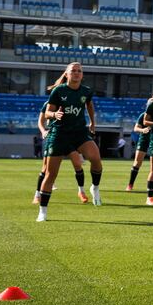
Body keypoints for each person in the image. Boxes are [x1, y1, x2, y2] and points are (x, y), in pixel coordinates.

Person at [37, 62, 104, 222]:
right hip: (59, 133)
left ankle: (94, 187)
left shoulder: (86, 91)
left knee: (96, 159)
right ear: (67, 74)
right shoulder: (59, 91)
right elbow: (47, 113)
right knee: (50, 174)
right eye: (73, 71)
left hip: (79, 132)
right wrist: (54, 116)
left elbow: (89, 106)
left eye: (79, 71)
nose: (76, 73)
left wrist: (92, 122)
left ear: (82, 75)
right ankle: (43, 212)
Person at [33, 100, 88, 205]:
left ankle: (81, 191)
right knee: (45, 169)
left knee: (78, 164)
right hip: (55, 138)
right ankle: (37, 195)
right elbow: (40, 121)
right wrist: (43, 131)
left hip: (69, 138)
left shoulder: (71, 102)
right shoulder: (48, 103)